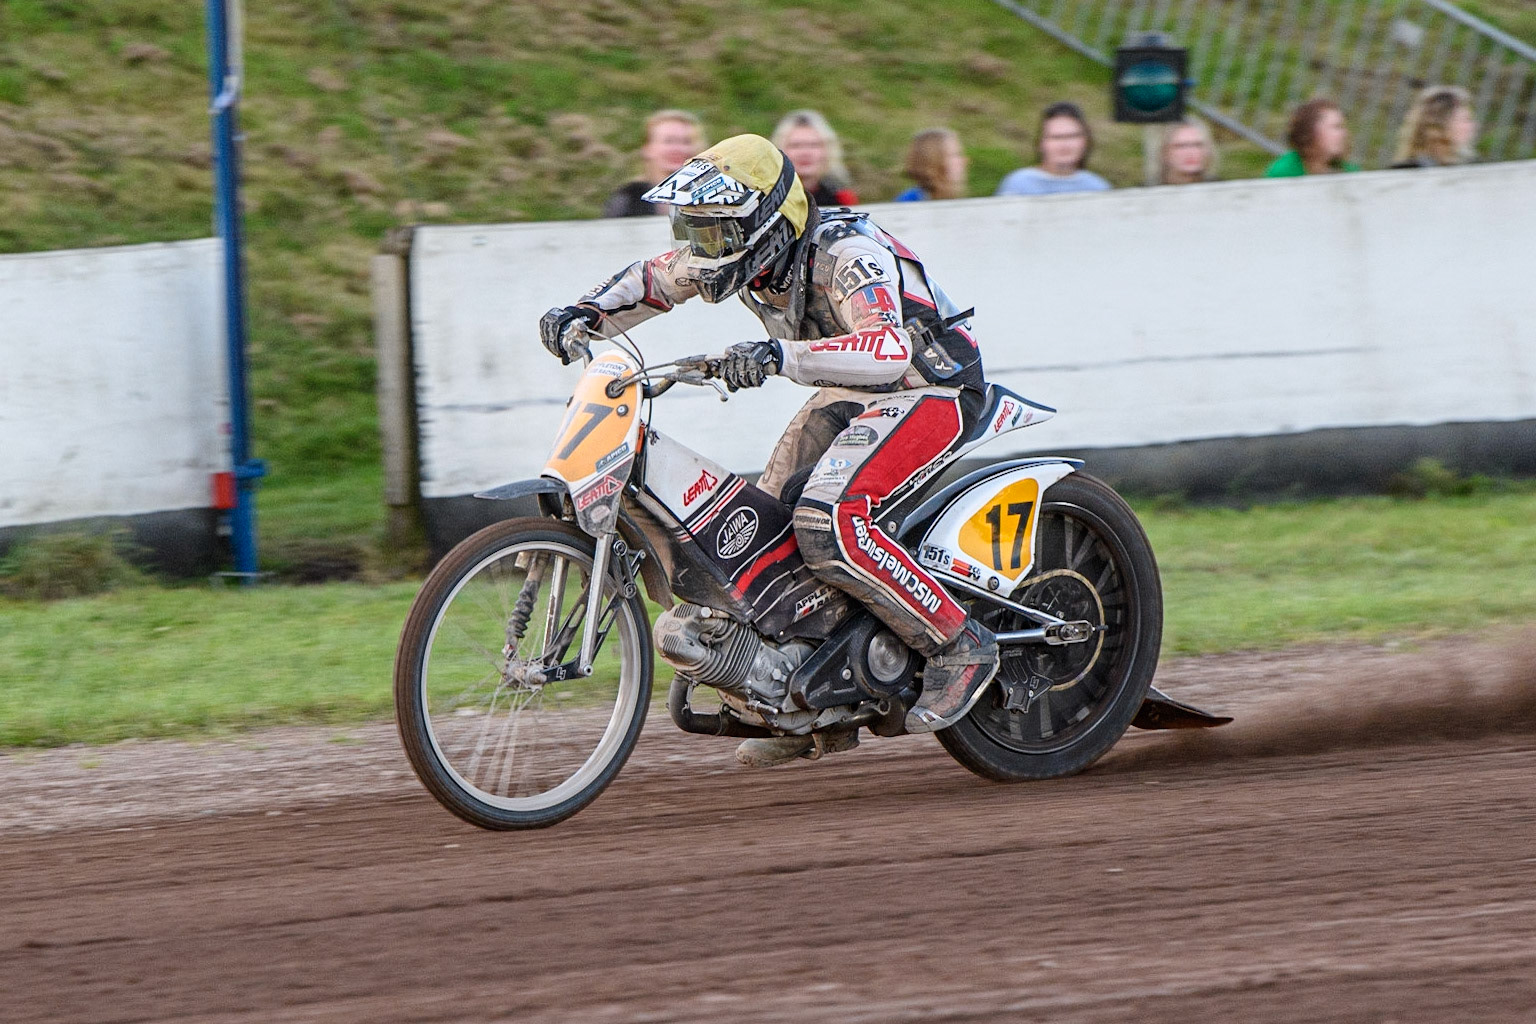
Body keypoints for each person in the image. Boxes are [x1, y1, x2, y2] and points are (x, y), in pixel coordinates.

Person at [540, 135, 997, 765]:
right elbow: (656, 278)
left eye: (715, 234)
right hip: (850, 390)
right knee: (772, 533)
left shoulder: (846, 254)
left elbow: (888, 350)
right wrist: (582, 313)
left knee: (828, 522)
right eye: (696, 232)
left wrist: (780, 356)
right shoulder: (741, 256)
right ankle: (812, 709)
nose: (702, 252)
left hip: (931, 390)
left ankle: (960, 642)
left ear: (767, 225)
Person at [995, 101, 1111, 196]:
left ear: (1086, 141)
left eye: (1072, 136)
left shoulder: (1097, 187)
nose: (1065, 144)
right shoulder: (1018, 184)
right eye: (1056, 137)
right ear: (1041, 143)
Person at [602, 110, 704, 217]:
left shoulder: (712, 197)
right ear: (647, 149)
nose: (677, 149)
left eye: (686, 142)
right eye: (669, 141)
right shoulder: (629, 199)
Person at [771, 110, 859, 206]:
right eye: (795, 145)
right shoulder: (767, 198)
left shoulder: (842, 199)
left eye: (814, 145)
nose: (805, 153)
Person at [1264, 98, 1360, 177]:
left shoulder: (1349, 173)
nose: (1344, 134)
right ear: (1310, 132)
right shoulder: (1283, 173)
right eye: (1336, 127)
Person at [1391, 85, 1478, 168]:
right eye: (1465, 120)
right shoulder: (1409, 171)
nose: (1472, 126)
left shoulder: (1463, 168)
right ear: (1439, 124)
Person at [895, 128, 968, 201]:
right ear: (933, 161)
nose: (963, 161)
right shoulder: (909, 204)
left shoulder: (949, 200)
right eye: (954, 155)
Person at [1158, 118, 1219, 185]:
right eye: (1181, 146)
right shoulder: (1148, 191)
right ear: (1165, 152)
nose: (1190, 152)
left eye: (1197, 145)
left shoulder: (1223, 188)